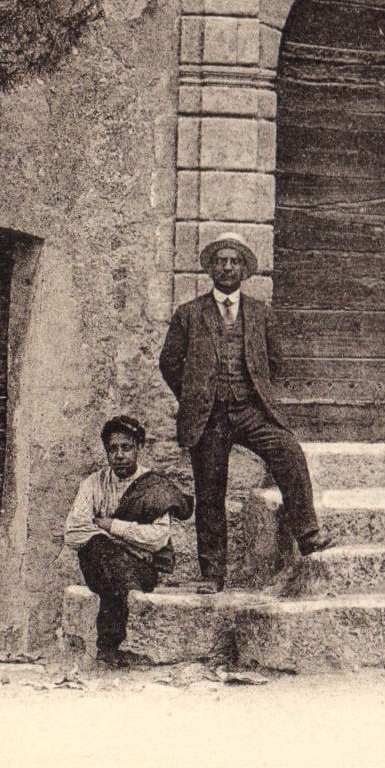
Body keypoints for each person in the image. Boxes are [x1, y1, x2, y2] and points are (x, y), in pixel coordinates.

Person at [159, 233, 332, 592]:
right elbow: (169, 363)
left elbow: (275, 362)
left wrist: (256, 393)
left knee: (288, 450)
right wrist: (195, 395)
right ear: (210, 268)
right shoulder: (189, 314)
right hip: (209, 416)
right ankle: (212, 574)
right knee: (210, 491)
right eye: (220, 261)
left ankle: (309, 534)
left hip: (250, 410)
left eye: (233, 261)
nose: (226, 267)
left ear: (244, 270)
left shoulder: (260, 314)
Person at [64, 415, 184, 668]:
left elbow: (158, 538)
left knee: (106, 560)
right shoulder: (93, 484)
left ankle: (108, 648)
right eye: (112, 449)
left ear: (139, 448)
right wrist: (125, 543)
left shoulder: (154, 487)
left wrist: (111, 525)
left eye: (126, 447)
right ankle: (117, 637)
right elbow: (73, 532)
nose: (119, 455)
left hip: (140, 571)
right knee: (97, 548)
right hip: (105, 564)